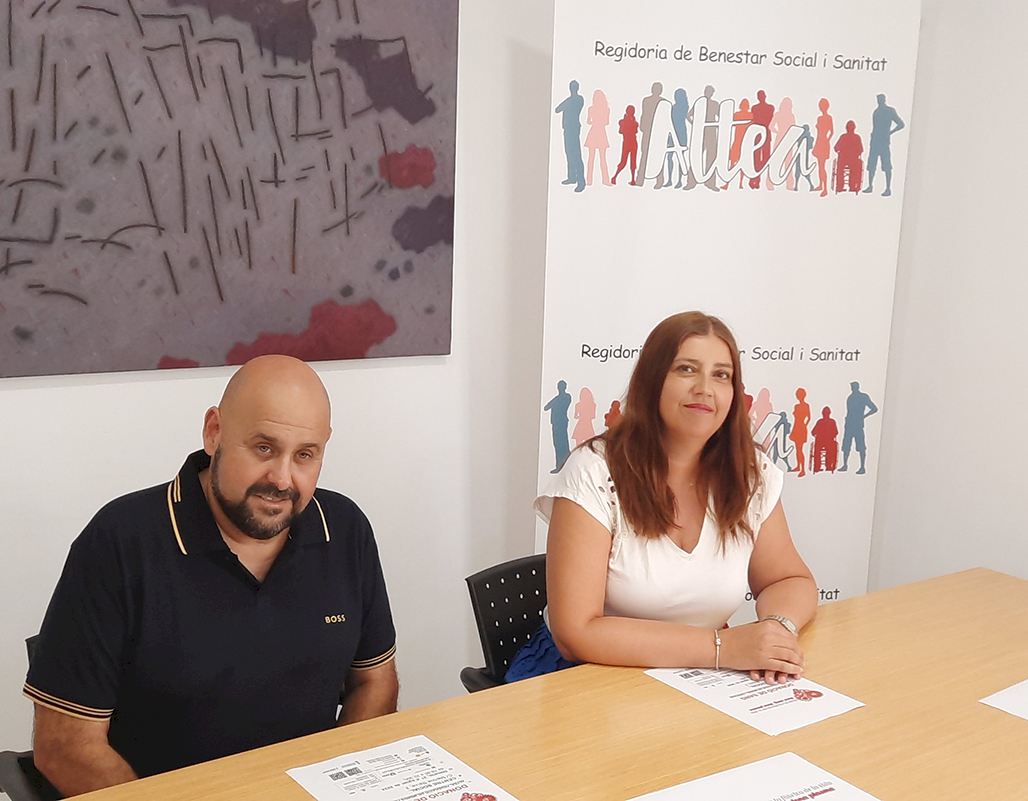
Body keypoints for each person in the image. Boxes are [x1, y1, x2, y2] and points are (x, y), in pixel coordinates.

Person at [24, 356, 398, 796]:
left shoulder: (345, 529)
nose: (282, 479)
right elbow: (64, 747)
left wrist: (343, 784)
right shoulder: (119, 542)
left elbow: (375, 682)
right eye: (264, 448)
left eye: (305, 455)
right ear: (214, 431)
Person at [507, 312, 817, 684]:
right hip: (583, 675)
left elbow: (789, 579)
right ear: (652, 380)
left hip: (699, 673)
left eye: (721, 375)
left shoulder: (750, 473)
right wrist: (721, 647)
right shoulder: (593, 471)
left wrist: (777, 630)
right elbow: (576, 632)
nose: (705, 388)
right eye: (686, 369)